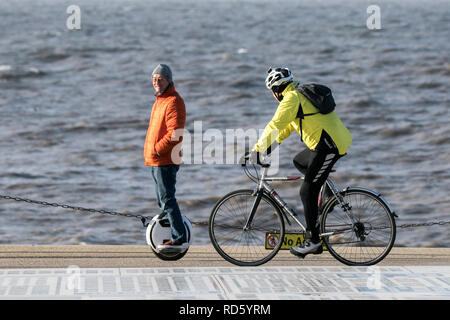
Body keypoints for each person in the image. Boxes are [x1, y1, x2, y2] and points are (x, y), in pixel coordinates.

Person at [245, 67, 352, 258]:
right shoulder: (297, 96)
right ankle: (326, 191)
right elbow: (285, 128)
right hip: (329, 142)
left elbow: (275, 125)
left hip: (328, 146)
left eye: (272, 93)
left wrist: (257, 151)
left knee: (307, 190)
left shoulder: (291, 99)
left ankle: (313, 241)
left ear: (276, 90)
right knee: (299, 161)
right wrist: (268, 148)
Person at [143, 64, 187, 250]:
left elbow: (175, 133)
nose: (156, 82)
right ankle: (168, 233)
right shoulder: (160, 101)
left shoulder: (173, 101)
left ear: (169, 80)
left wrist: (158, 150)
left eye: (160, 79)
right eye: (154, 79)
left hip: (165, 159)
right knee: (163, 200)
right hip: (157, 159)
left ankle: (179, 237)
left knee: (167, 198)